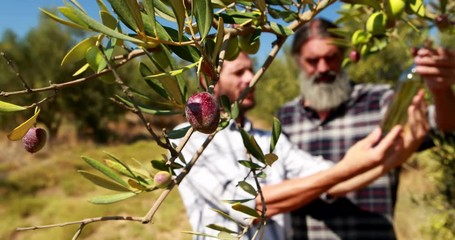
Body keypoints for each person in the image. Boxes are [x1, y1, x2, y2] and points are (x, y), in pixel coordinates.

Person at [173, 51, 429, 240]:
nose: (251, 78)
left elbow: (332, 182)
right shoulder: (186, 141)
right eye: (239, 72)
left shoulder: (269, 140)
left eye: (252, 69)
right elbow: (248, 205)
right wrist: (344, 169)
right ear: (210, 77)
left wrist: (398, 154)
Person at [277, 18, 455, 239]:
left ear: (343, 56)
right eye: (313, 61)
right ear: (298, 61)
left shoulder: (379, 100)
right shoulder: (284, 118)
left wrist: (442, 90)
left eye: (330, 57)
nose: (323, 68)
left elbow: (443, 126)